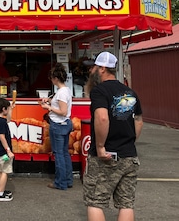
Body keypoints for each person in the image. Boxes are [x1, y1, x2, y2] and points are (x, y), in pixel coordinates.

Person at [82, 52, 143, 221]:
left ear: (102, 69)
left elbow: (102, 117)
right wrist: (129, 141)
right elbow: (138, 120)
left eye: (94, 67)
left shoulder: (99, 91)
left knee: (95, 201)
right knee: (126, 204)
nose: (91, 70)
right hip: (129, 155)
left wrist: (100, 147)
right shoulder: (130, 92)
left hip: (107, 156)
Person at [40, 63, 73, 190]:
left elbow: (63, 111)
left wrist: (48, 107)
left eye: (52, 78)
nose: (51, 81)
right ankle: (68, 180)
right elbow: (62, 107)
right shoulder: (65, 90)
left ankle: (60, 182)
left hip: (58, 125)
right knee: (64, 153)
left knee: (59, 154)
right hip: (65, 124)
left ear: (56, 78)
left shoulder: (60, 93)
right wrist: (49, 101)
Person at [0, 97, 15, 202]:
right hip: (4, 152)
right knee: (5, 172)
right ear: (3, 109)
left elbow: (8, 119)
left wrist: (11, 109)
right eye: (7, 108)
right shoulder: (1, 122)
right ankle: (0, 195)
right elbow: (2, 136)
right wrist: (8, 150)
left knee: (0, 171)